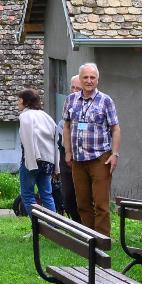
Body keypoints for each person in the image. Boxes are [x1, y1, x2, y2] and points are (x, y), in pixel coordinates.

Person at [63, 62, 121, 235]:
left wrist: (115, 154)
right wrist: (67, 152)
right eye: (85, 77)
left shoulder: (105, 100)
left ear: (97, 79)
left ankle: (103, 240)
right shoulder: (71, 100)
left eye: (92, 77)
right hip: (78, 160)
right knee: (82, 203)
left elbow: (115, 128)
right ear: (80, 79)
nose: (89, 81)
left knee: (101, 204)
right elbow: (66, 126)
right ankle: (89, 238)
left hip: (99, 158)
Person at [17, 88, 58, 213]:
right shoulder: (47, 117)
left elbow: (27, 139)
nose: (18, 103)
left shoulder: (25, 116)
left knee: (27, 195)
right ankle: (53, 227)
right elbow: (56, 139)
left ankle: (38, 227)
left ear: (25, 101)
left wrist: (30, 162)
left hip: (32, 160)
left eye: (19, 100)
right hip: (48, 161)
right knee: (47, 195)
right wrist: (56, 165)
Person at [55, 75, 82, 220]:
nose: (74, 91)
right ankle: (76, 224)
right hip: (65, 151)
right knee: (67, 195)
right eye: (73, 87)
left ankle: (86, 228)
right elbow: (63, 124)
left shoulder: (91, 104)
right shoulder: (68, 102)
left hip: (81, 154)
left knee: (82, 196)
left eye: (78, 88)